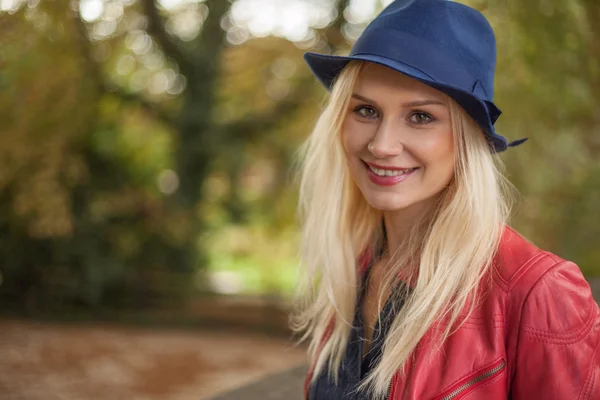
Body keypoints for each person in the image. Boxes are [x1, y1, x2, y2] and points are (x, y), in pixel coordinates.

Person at [291, 0, 600, 399]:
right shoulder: (354, 268)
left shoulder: (537, 293)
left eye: (420, 116)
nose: (382, 145)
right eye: (365, 110)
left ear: (467, 138)